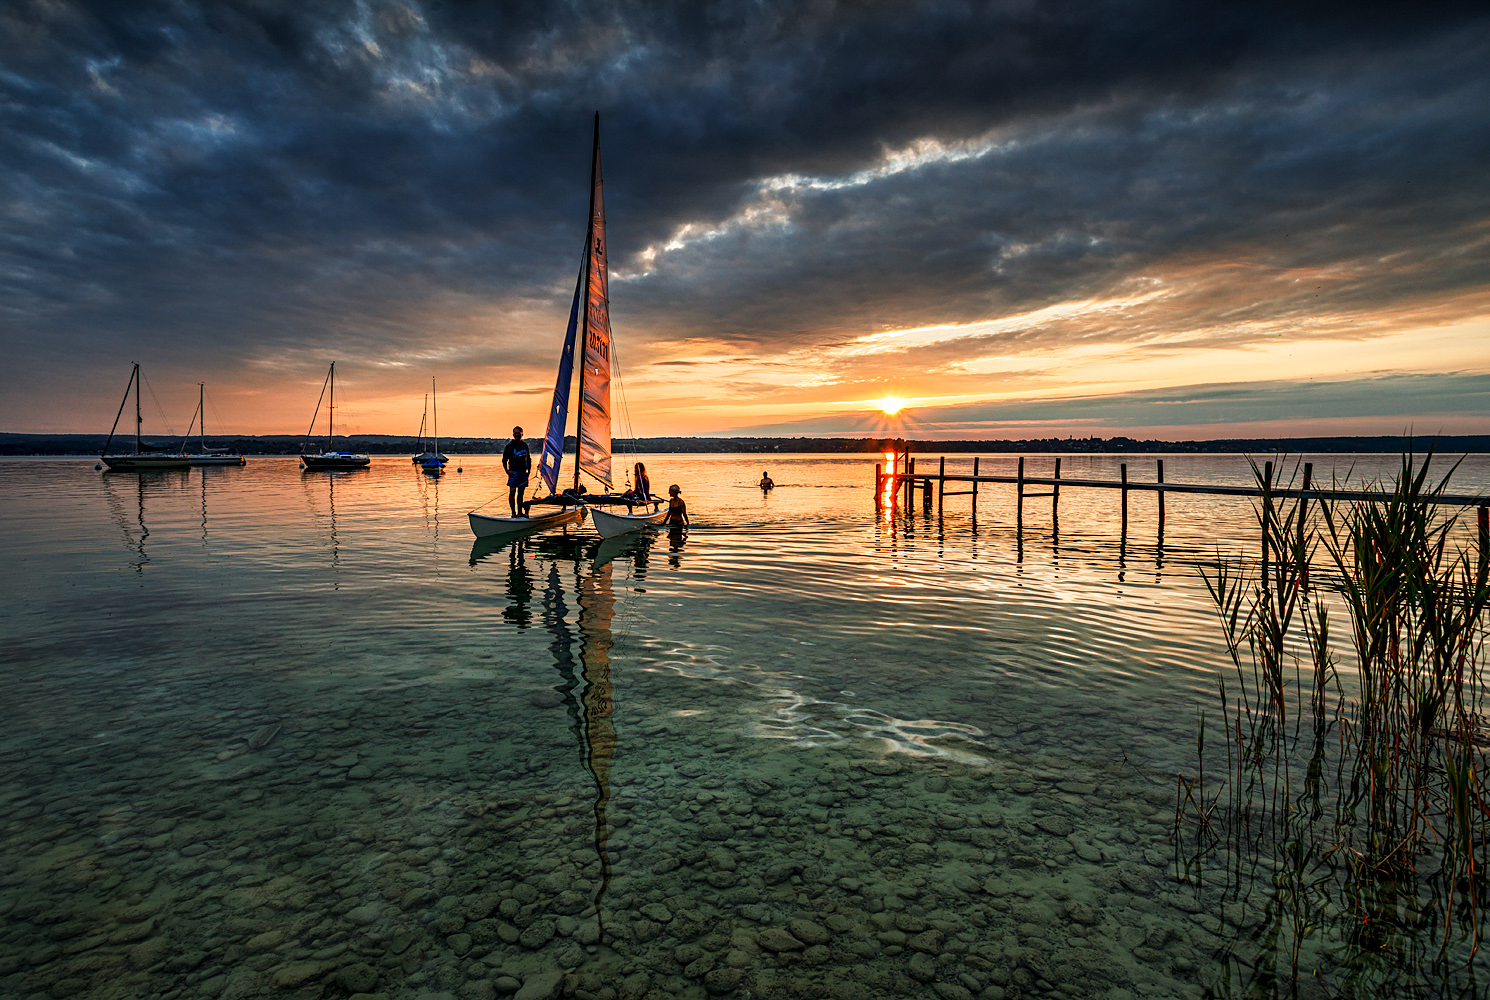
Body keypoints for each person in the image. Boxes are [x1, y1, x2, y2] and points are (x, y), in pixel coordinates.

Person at [502, 426, 531, 517]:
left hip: (523, 473)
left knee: (521, 493)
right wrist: (507, 471)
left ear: (522, 434)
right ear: (513, 434)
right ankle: (513, 513)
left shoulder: (525, 445)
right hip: (513, 472)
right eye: (515, 433)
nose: (517, 435)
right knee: (512, 492)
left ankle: (520, 512)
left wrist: (529, 471)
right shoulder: (509, 446)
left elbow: (528, 459)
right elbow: (504, 460)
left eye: (519, 433)